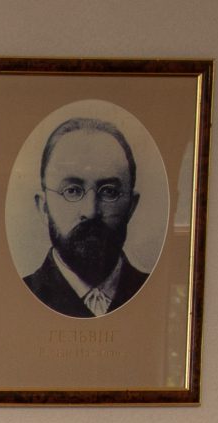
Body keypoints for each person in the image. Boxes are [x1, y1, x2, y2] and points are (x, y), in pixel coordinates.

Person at [22, 115, 148, 319]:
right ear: (44, 207)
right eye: (72, 191)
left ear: (131, 207)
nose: (90, 211)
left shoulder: (153, 294)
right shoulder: (17, 298)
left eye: (109, 192)